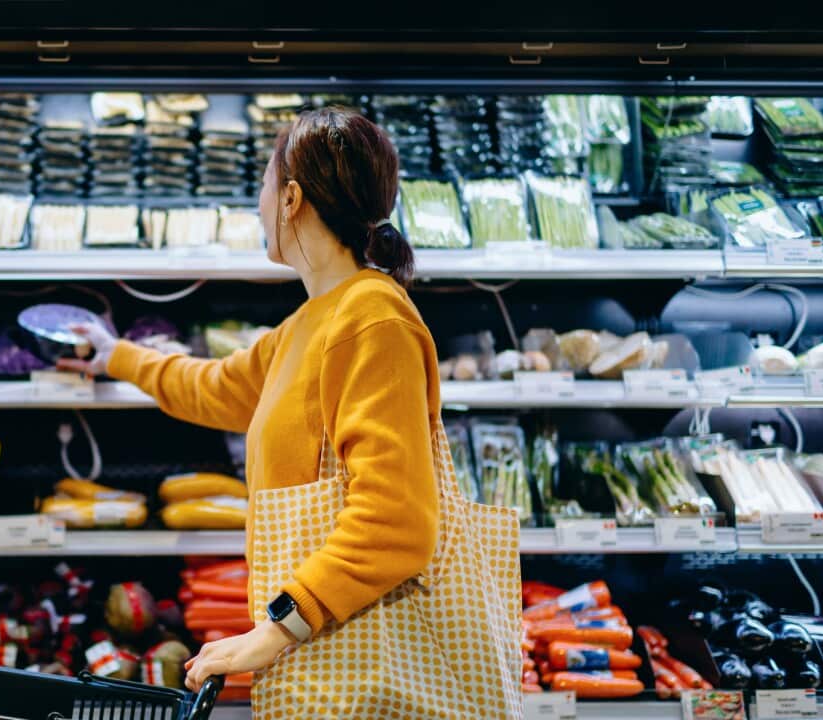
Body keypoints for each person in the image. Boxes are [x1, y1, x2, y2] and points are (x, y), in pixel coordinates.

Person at [62, 107, 517, 717]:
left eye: (264, 185)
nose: (258, 205)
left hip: (366, 679)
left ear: (292, 199)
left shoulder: (373, 320)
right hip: (329, 664)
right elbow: (215, 387)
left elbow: (397, 522)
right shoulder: (309, 324)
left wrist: (275, 628)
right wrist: (116, 355)